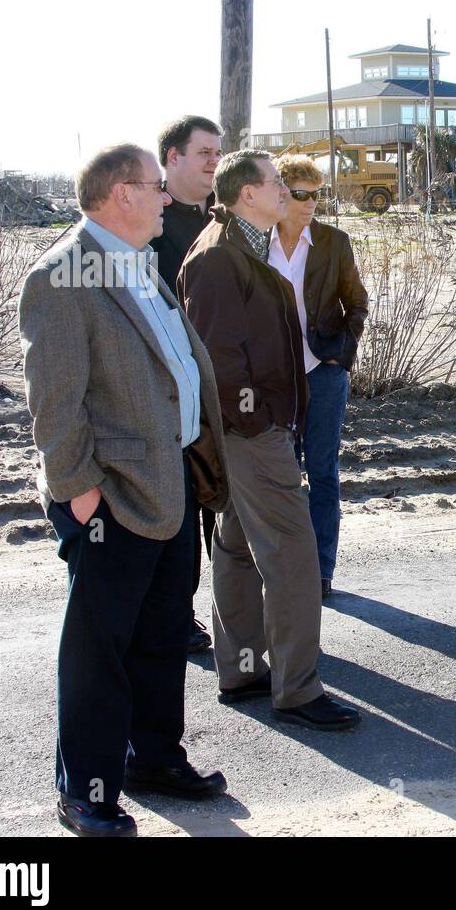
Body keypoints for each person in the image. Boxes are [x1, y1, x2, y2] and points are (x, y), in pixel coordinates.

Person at [19, 144, 230, 836]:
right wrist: (81, 497)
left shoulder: (139, 265)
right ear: (119, 194)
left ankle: (153, 759)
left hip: (168, 485)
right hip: (110, 498)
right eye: (154, 186)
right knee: (98, 649)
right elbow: (56, 403)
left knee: (162, 637)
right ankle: (88, 791)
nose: (167, 198)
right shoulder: (63, 276)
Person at [179, 149, 361, 731]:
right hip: (249, 433)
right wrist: (256, 422)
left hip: (250, 430)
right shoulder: (217, 257)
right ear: (245, 194)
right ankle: (299, 689)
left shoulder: (240, 244)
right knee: (293, 552)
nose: (285, 189)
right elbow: (218, 357)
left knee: (235, 547)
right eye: (275, 182)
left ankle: (244, 671)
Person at [271, 154, 369, 598]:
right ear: (279, 193)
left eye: (317, 194)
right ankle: (287, 564)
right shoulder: (257, 244)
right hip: (272, 377)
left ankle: (321, 570)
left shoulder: (334, 242)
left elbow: (357, 303)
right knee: (282, 473)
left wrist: (340, 357)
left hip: (324, 373)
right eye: (300, 194)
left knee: (323, 471)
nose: (310, 203)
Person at [151, 115, 225, 654]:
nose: (212, 162)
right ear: (171, 158)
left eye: (217, 153)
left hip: (226, 388)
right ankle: (176, 614)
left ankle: (235, 619)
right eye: (202, 152)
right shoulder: (150, 226)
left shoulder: (226, 219)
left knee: (223, 506)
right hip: (171, 389)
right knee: (179, 510)